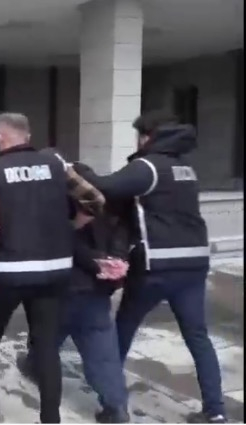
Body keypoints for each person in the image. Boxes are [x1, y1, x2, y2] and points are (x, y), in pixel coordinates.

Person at [0, 112, 105, 424]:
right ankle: (50, 417)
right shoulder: (56, 164)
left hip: (10, 271)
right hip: (55, 270)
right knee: (46, 344)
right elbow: (95, 200)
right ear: (28, 136)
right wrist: (72, 225)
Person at [72, 111, 226, 424]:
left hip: (157, 266)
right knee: (198, 337)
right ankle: (216, 411)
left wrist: (75, 167)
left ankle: (113, 400)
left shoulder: (148, 167)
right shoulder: (185, 168)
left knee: (123, 327)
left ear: (147, 136)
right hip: (194, 264)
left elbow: (105, 186)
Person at [17, 191, 133, 424]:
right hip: (96, 292)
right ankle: (115, 405)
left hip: (63, 288)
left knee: (47, 337)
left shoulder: (61, 207)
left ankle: (35, 366)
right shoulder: (113, 207)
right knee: (102, 353)